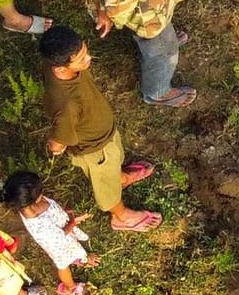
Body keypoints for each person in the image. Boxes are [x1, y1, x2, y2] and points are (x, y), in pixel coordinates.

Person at [38, 25, 162, 231]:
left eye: (85, 52)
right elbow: (58, 142)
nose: (88, 59)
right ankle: (120, 216)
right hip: (95, 149)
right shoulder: (66, 104)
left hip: (105, 132)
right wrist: (56, 146)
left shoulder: (58, 65)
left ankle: (120, 178)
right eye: (81, 59)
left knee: (115, 162)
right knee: (106, 187)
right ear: (60, 68)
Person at [3, 170, 98, 295]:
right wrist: (73, 221)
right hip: (57, 244)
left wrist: (63, 213)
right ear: (33, 200)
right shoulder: (38, 223)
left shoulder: (27, 204)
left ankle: (78, 258)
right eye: (40, 192)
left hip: (62, 232)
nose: (43, 192)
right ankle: (70, 287)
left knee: (72, 248)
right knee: (63, 264)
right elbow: (59, 236)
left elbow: (52, 212)